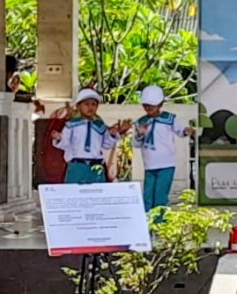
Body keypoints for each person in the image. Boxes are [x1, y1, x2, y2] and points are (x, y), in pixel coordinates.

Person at [132, 85, 194, 217]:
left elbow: (180, 131)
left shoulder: (169, 119)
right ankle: (147, 221)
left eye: (152, 105)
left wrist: (186, 131)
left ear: (160, 104)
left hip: (166, 165)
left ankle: (160, 222)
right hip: (149, 166)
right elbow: (136, 144)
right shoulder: (141, 122)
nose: (149, 108)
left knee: (160, 196)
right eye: (146, 105)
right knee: (148, 196)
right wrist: (140, 134)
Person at [51, 88, 129, 184]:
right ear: (78, 106)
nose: (90, 107)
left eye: (94, 104)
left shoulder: (100, 125)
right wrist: (59, 138)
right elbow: (65, 143)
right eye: (86, 104)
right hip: (77, 165)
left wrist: (115, 134)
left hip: (96, 166)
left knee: (98, 191)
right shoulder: (71, 125)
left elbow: (106, 144)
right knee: (74, 191)